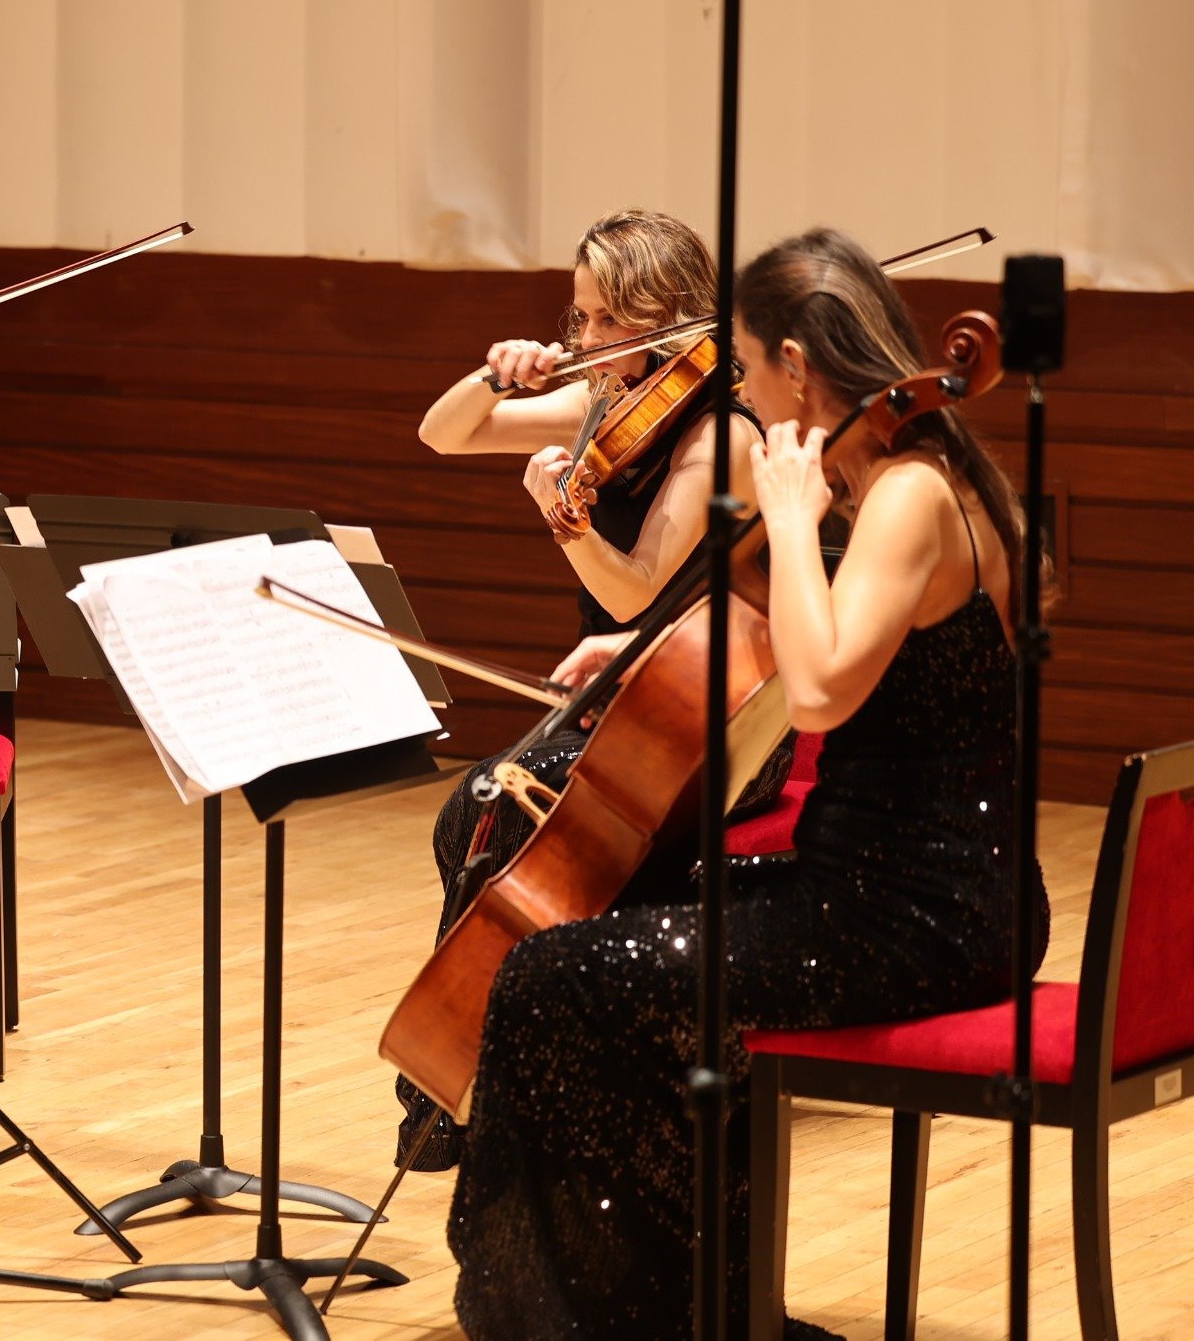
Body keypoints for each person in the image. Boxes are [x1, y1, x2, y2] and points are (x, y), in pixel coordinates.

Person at [444, 227, 1046, 1339]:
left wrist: (788, 513)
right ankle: (683, 1302)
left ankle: (616, 1312)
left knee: (551, 975)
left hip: (906, 912)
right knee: (607, 920)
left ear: (798, 367)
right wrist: (646, 650)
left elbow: (817, 692)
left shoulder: (908, 494)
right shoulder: (922, 475)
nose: (748, 397)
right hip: (916, 890)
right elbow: (834, 643)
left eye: (754, 370)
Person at [400, 210, 768, 1166]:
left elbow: (636, 593)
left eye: (609, 319)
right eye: (581, 316)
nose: (589, 338)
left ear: (672, 316)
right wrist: (496, 373)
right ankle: (479, 1063)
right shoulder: (610, 401)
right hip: (625, 703)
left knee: (493, 807)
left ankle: (480, 1072)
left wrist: (563, 518)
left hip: (710, 714)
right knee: (475, 816)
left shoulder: (721, 432)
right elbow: (442, 435)